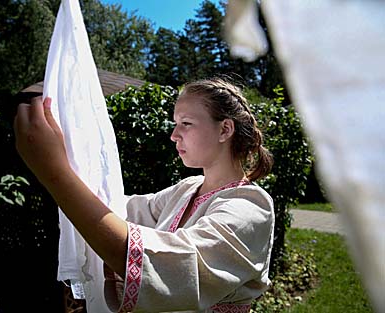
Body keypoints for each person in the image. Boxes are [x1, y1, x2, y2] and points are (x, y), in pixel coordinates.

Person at [14, 76, 275, 313]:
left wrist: (55, 174)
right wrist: (71, 156)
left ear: (224, 130)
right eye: (175, 124)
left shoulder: (251, 207)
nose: (174, 135)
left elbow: (174, 268)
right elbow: (118, 209)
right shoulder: (188, 189)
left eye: (186, 123)